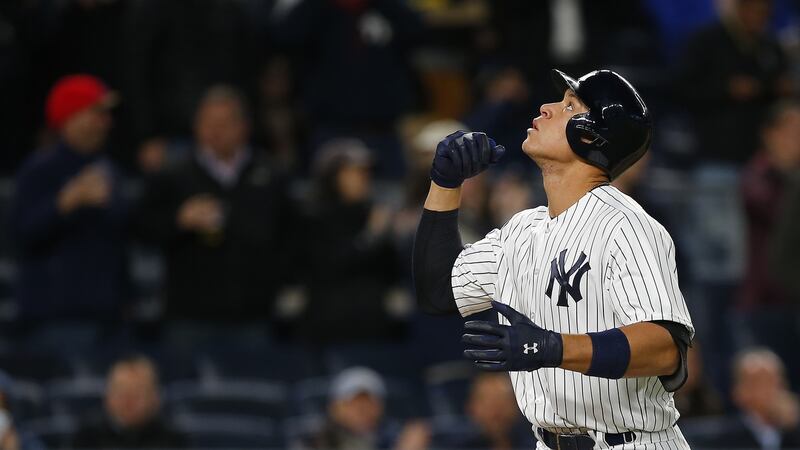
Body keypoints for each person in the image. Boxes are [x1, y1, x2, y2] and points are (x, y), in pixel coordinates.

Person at [413, 69, 694, 449]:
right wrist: (445, 185)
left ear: (592, 133)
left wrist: (551, 347)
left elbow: (665, 349)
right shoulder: (521, 230)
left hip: (630, 441)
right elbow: (438, 292)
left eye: (568, 105)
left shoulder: (625, 225)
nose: (546, 108)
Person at [136, 85, 294, 322]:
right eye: (208, 123)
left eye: (223, 123)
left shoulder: (271, 174)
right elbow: (142, 229)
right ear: (196, 126)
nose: (215, 131)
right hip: (189, 314)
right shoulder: (172, 174)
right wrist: (178, 219)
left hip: (253, 313)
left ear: (243, 127)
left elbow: (289, 237)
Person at [10, 74, 129, 327]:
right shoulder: (39, 169)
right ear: (71, 117)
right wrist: (65, 203)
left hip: (107, 319)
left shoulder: (109, 169)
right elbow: (20, 235)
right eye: (97, 113)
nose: (106, 122)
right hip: (52, 320)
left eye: (106, 115)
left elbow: (120, 243)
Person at [687, 348, 800, 449]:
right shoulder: (719, 438)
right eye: (757, 382)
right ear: (737, 392)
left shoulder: (792, 434)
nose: (767, 390)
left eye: (773, 381)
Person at [302, 367, 430, 450]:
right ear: (335, 408)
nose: (361, 410)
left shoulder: (394, 434)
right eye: (352, 403)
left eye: (369, 403)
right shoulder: (315, 441)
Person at [72, 355, 186, 448]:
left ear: (155, 398)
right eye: (121, 391)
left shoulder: (172, 439)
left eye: (137, 392)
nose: (128, 400)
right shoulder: (87, 437)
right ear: (108, 396)